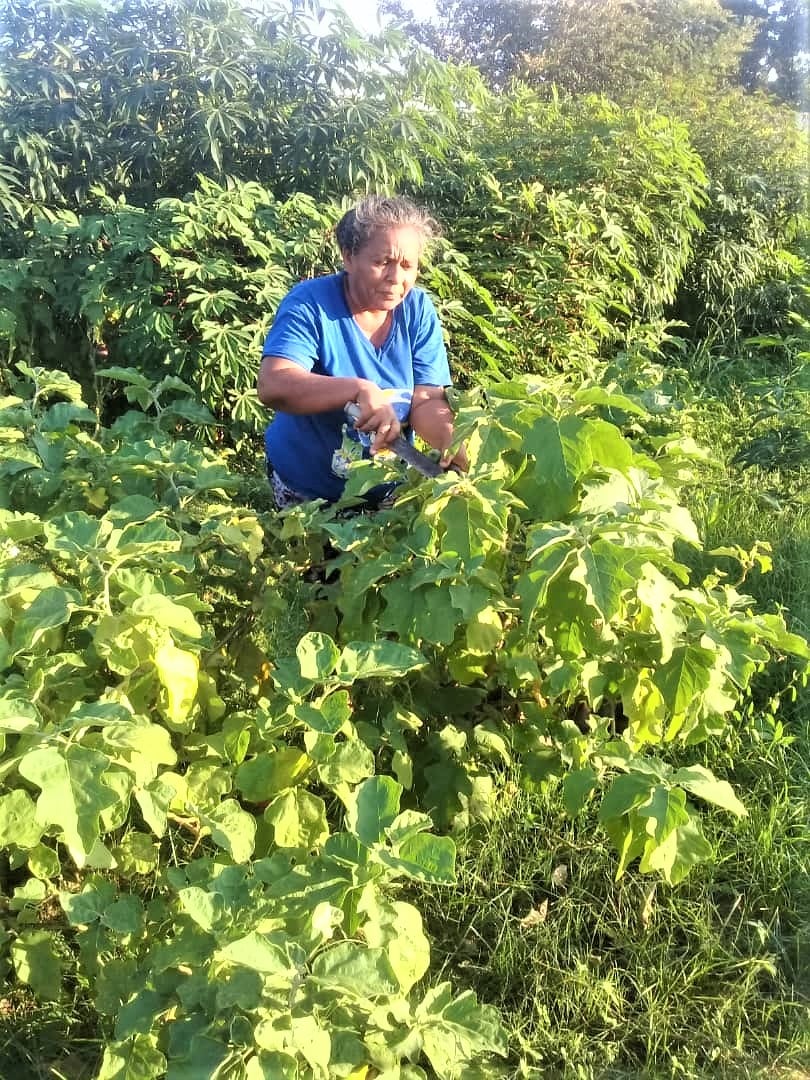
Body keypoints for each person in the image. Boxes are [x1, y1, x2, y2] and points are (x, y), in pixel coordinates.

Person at [257, 195, 465, 509]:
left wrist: (453, 441)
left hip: (385, 486)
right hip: (309, 489)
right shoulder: (311, 304)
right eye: (383, 262)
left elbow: (426, 399)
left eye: (407, 265)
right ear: (348, 256)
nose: (396, 278)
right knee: (314, 544)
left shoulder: (417, 310)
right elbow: (273, 384)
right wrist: (356, 389)